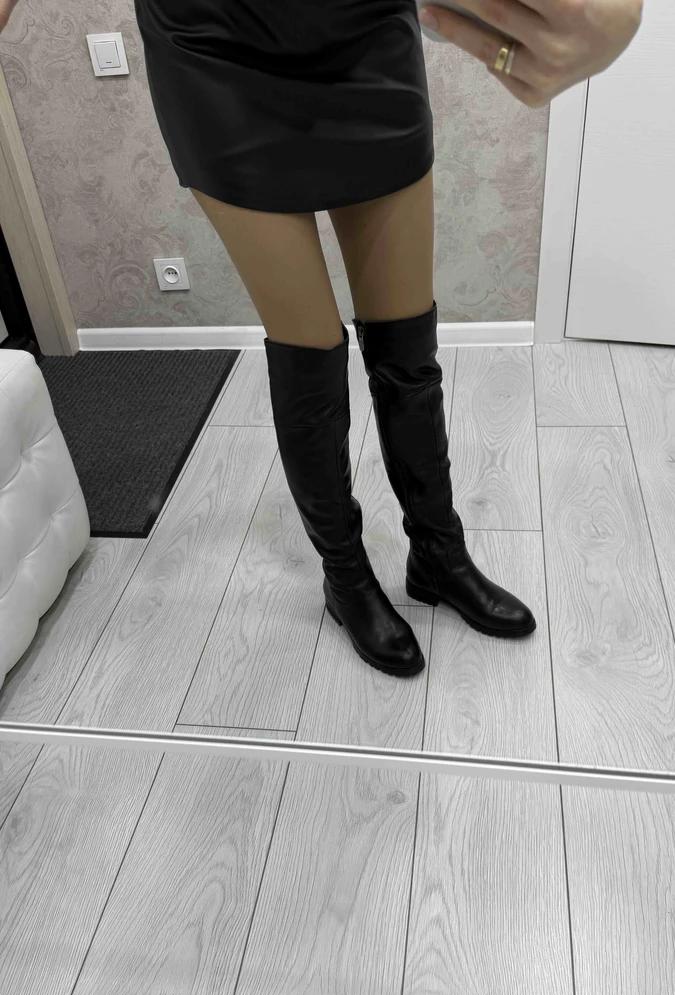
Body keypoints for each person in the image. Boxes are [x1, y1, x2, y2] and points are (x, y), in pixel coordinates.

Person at [0, 0, 642, 678]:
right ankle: (346, 577)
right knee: (308, 352)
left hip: (364, 33)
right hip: (215, 54)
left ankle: (439, 554)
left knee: (407, 346)